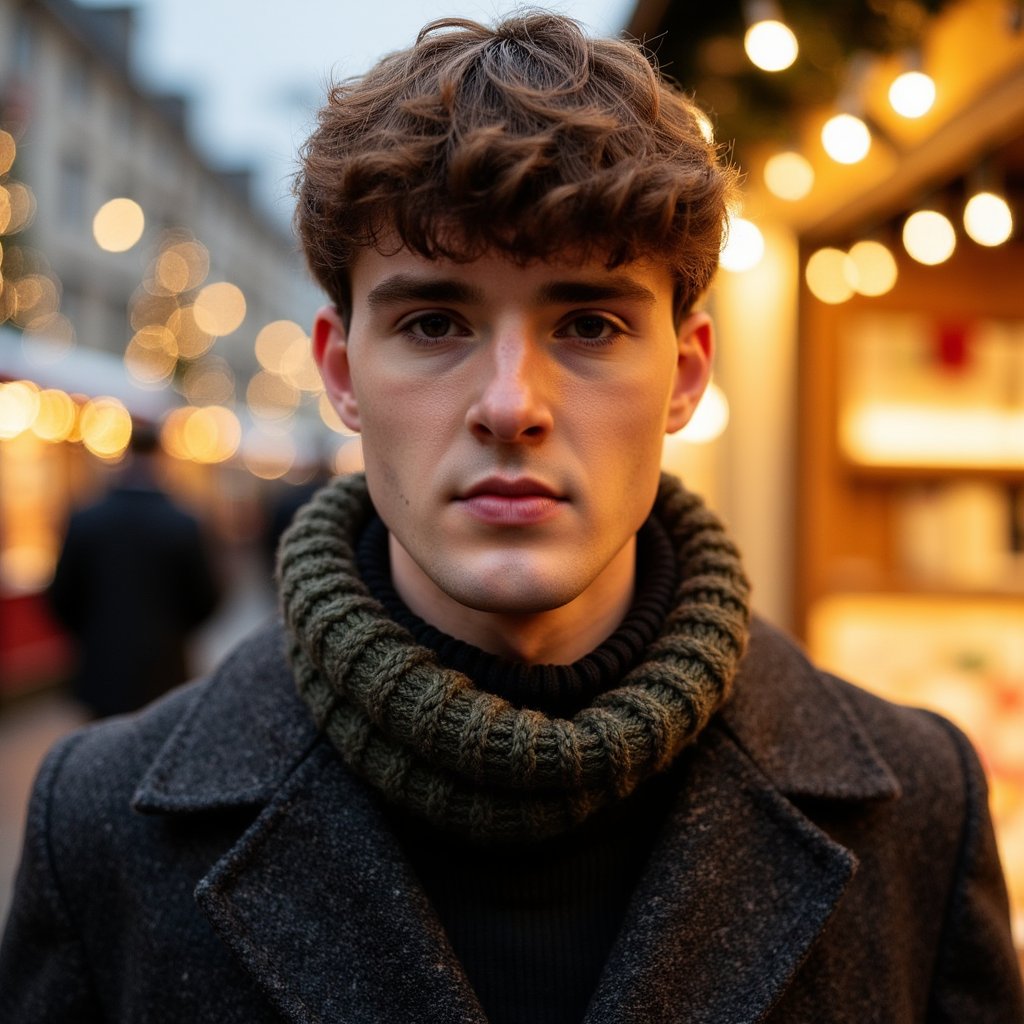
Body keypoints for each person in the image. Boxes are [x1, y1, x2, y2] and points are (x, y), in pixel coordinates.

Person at [1, 13, 1021, 1022]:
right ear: (342, 373)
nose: (508, 403)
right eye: (434, 322)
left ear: (686, 373)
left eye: (588, 323)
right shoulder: (99, 824)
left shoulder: (920, 805)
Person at [45, 421, 221, 717]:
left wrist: (92, 633)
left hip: (101, 669)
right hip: (165, 670)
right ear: (161, 457)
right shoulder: (182, 523)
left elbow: (60, 595)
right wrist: (172, 632)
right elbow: (207, 597)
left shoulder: (86, 520)